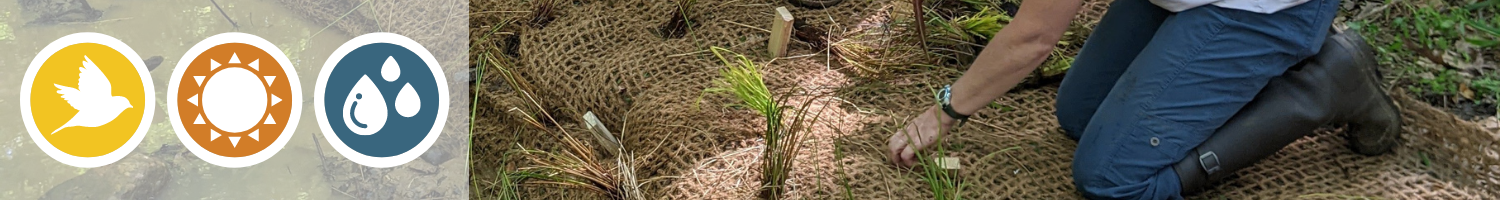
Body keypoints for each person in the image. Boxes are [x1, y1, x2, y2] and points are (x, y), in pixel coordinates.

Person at [884, 0, 1403, 199]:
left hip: (1268, 5)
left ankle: (1331, 82)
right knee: (1079, 114)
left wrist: (945, 112)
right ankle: (1214, 62)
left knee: (1112, 178)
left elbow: (1032, 38)